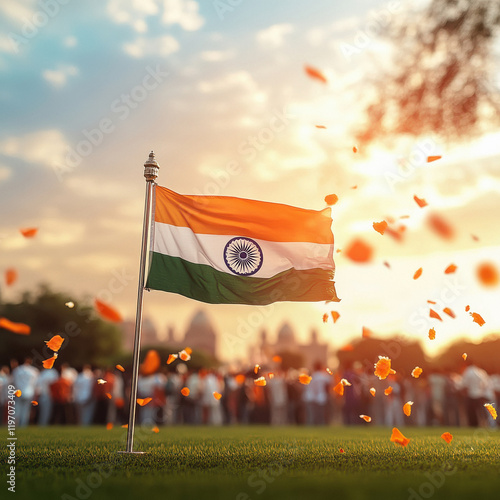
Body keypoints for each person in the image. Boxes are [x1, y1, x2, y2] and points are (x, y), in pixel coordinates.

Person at [11, 357, 39, 426]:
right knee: (26, 410)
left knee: (17, 408)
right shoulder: (34, 371)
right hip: (29, 392)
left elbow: (13, 382)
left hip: (19, 392)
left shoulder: (17, 370)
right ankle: (23, 425)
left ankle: (14, 424)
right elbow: (36, 383)